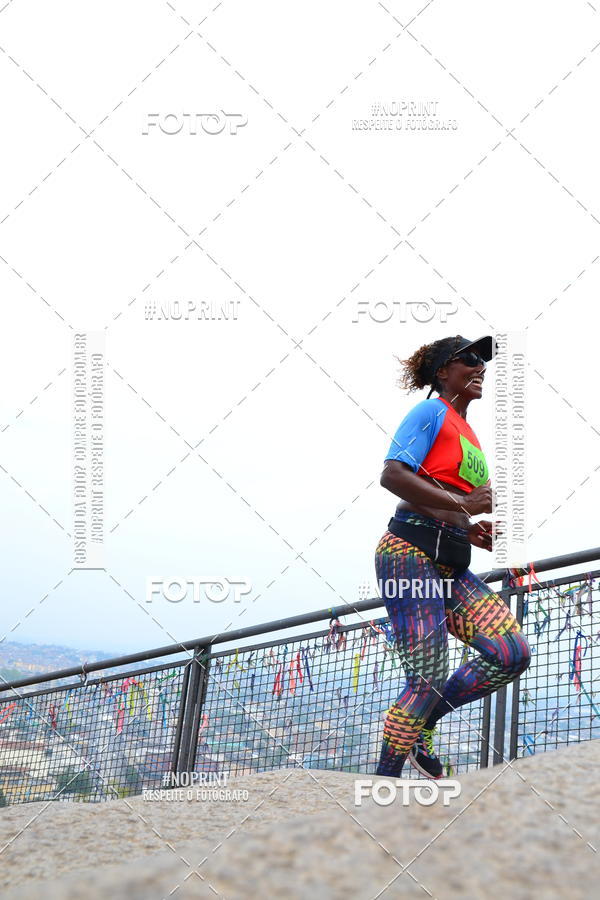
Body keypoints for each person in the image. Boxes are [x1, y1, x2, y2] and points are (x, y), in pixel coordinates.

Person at [375, 334, 531, 778]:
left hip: (452, 558)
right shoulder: (430, 411)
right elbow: (393, 475)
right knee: (424, 678)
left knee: (510, 651)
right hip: (409, 552)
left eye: (484, 360)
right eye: (469, 359)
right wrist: (464, 507)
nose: (480, 366)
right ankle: (382, 790)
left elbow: (446, 496)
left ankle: (420, 724)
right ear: (443, 371)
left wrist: (468, 526)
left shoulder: (467, 430)